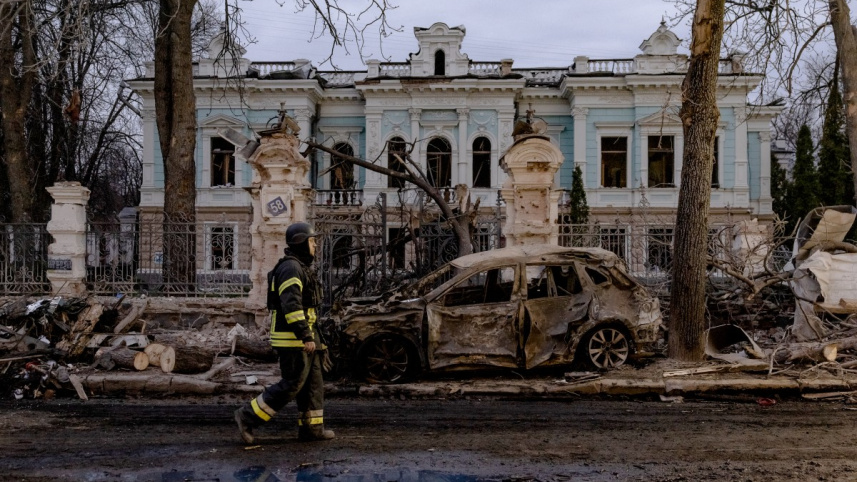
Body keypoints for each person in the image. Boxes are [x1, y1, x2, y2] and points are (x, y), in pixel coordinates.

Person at [234, 222, 334, 443]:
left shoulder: (299, 266)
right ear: (300, 242)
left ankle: (312, 430)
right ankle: (247, 416)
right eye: (311, 241)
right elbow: (292, 306)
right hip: (293, 339)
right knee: (292, 384)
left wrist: (314, 338)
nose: (315, 245)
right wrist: (305, 336)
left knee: (313, 385)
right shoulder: (291, 268)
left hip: (307, 337)